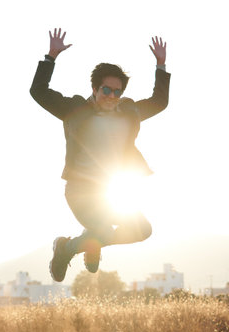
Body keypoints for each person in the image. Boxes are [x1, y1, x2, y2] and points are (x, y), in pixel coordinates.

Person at [30, 28, 171, 282]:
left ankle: (84, 244)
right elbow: (38, 92)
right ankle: (71, 246)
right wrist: (51, 57)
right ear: (95, 89)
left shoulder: (129, 112)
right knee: (104, 230)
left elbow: (159, 102)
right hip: (81, 192)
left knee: (142, 230)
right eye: (106, 90)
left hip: (111, 193)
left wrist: (161, 65)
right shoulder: (75, 109)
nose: (112, 97)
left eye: (117, 92)